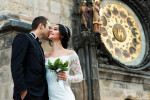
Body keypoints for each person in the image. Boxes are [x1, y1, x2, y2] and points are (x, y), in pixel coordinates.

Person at [11, 16, 51, 100]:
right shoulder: (23, 38)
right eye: (48, 27)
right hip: (28, 94)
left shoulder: (39, 45)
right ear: (41, 25)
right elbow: (16, 65)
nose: (50, 30)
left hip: (40, 94)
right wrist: (23, 91)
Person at [45, 24, 83, 100]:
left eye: (55, 29)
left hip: (65, 96)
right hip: (49, 97)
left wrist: (68, 78)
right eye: (51, 28)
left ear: (62, 35)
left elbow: (80, 76)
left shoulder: (71, 54)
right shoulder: (45, 56)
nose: (50, 30)